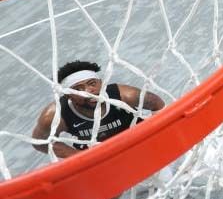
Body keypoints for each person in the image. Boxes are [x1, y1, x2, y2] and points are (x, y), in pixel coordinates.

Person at [31, 60, 165, 158]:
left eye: (92, 84)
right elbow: (40, 142)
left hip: (138, 141)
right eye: (78, 89)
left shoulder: (126, 95)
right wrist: (79, 157)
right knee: (113, 196)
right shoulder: (55, 114)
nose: (89, 92)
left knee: (161, 171)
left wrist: (156, 135)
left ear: (101, 83)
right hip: (97, 154)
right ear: (68, 96)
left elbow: (157, 103)